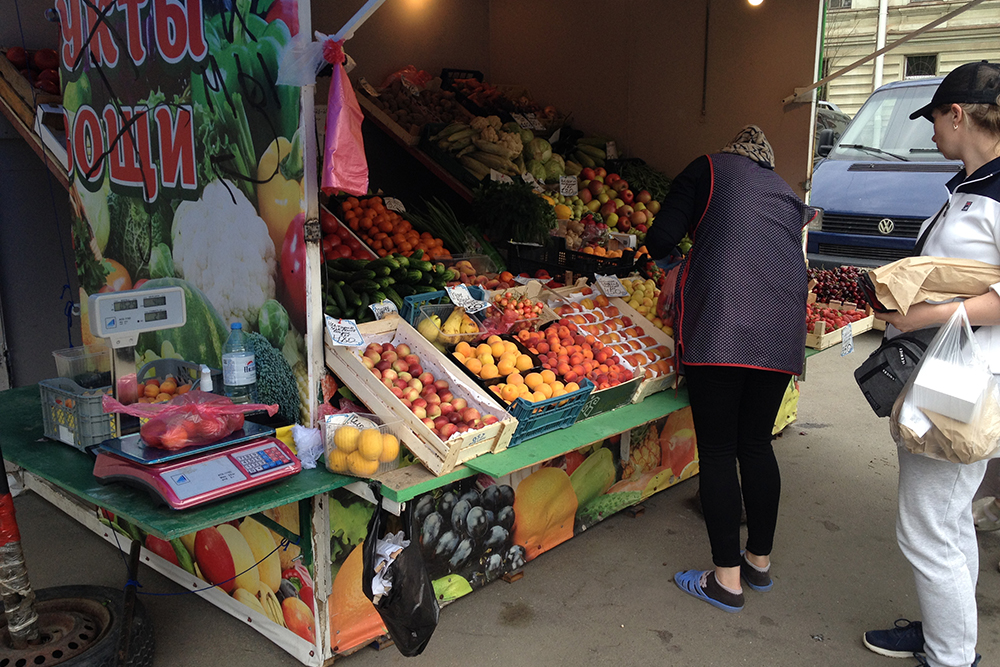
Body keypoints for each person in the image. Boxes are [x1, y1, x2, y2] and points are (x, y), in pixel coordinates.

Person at [864, 61, 1000, 667]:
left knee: (927, 522)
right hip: (947, 371)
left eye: (936, 121)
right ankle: (949, 635)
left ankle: (950, 657)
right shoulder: (971, 186)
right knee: (948, 518)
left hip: (966, 378)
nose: (933, 135)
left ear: (959, 114)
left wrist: (919, 318)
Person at [644, 125, 808, 613]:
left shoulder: (708, 168)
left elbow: (660, 238)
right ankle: (758, 564)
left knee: (717, 450)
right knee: (755, 444)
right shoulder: (784, 190)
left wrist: (676, 264)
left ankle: (725, 582)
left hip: (721, 323)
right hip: (782, 329)